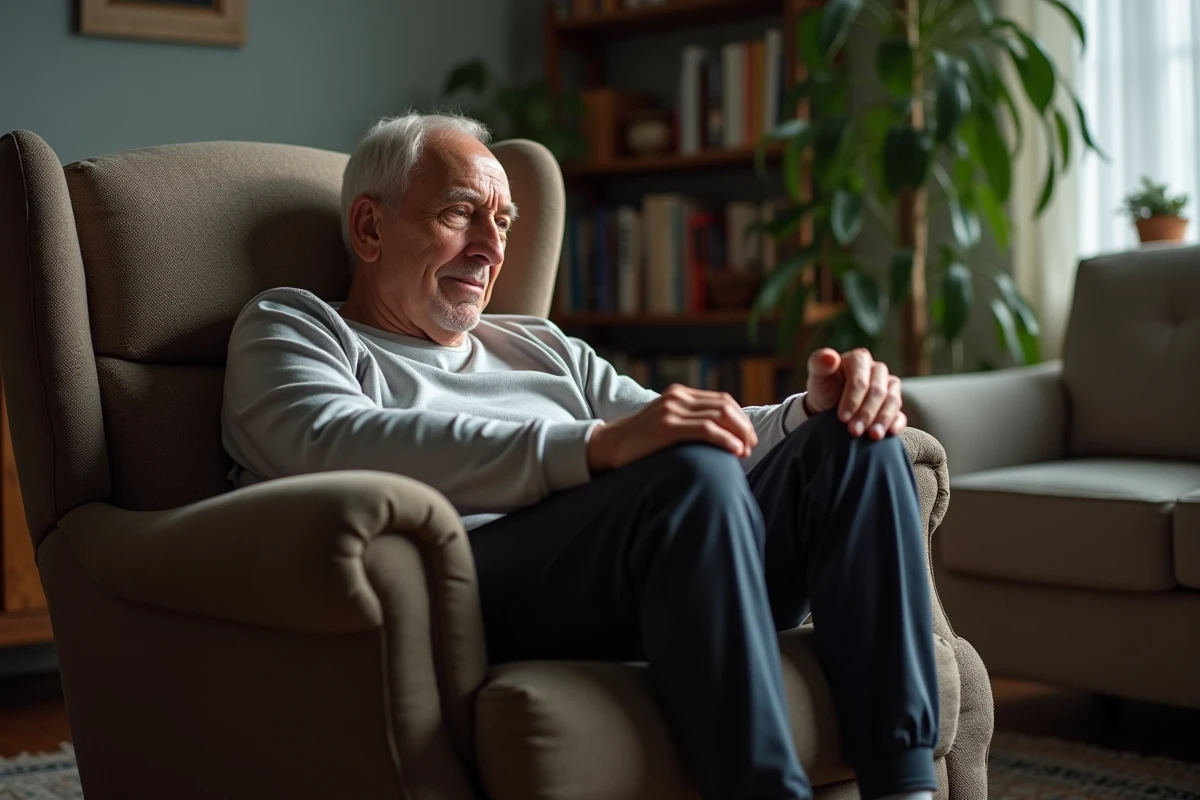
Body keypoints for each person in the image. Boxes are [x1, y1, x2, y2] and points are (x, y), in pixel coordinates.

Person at [221, 112, 939, 800]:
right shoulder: (297, 325)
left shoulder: (537, 344)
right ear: (370, 227)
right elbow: (331, 443)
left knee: (856, 443)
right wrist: (592, 446)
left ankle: (905, 785)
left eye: (501, 223)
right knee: (687, 475)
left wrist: (811, 409)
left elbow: (678, 426)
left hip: (665, 561)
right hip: (470, 584)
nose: (491, 249)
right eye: (460, 213)